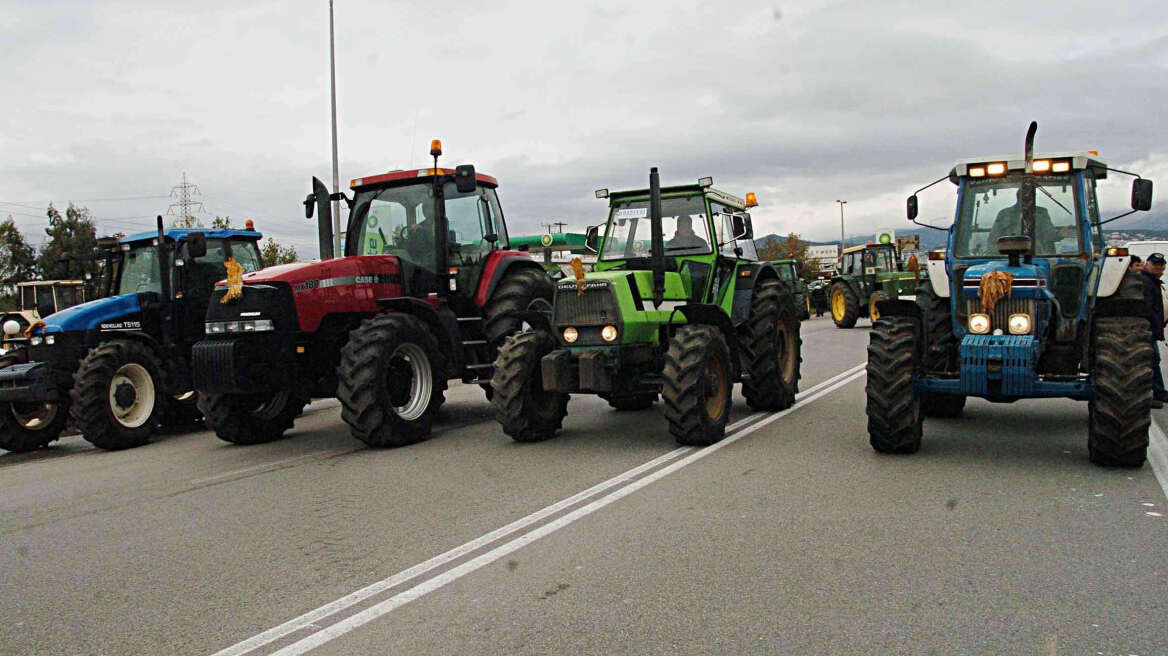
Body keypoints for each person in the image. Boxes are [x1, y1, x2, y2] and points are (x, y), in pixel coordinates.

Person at [985, 188, 1069, 255]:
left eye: (1031, 195)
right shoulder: (1004, 214)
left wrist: (1059, 234)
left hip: (1038, 256)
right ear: (1018, 197)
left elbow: (1048, 234)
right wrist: (994, 256)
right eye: (1025, 196)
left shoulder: (1041, 213)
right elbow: (993, 240)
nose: (1028, 198)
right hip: (1007, 257)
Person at [1141, 252, 1168, 408]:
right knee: (1150, 360)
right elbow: (1148, 308)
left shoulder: (1154, 282)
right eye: (1155, 264)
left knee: (1153, 360)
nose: (1159, 267)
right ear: (1147, 264)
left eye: (1161, 264)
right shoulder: (1146, 282)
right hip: (1147, 329)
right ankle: (1154, 392)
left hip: (1153, 328)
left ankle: (1158, 391)